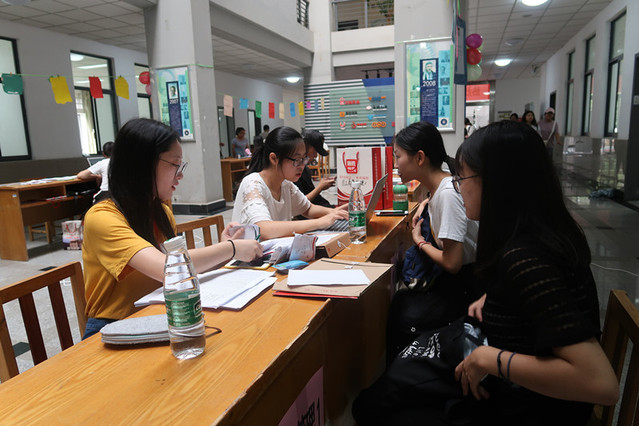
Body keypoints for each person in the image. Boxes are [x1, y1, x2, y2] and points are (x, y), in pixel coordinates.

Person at [450, 120, 618, 423]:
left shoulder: (525, 258)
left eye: (462, 178)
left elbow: (601, 384)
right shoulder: (543, 233)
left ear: (497, 182)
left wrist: (490, 359)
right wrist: (497, 298)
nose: (459, 188)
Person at [81, 118, 263, 339]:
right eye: (175, 165)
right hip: (112, 328)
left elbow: (182, 271)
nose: (181, 174)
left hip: (159, 314)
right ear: (142, 164)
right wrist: (231, 248)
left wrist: (226, 248)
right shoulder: (101, 218)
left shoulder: (161, 212)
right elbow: (167, 268)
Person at [387, 121, 482, 356]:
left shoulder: (447, 194)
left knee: (402, 312)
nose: (395, 164)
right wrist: (425, 205)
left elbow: (452, 263)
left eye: (398, 156)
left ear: (420, 158)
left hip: (465, 288)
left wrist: (419, 241)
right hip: (459, 281)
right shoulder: (441, 187)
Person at [231, 126, 348, 240]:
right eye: (297, 160)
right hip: (247, 252)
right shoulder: (253, 184)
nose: (302, 166)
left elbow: (307, 209)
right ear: (274, 159)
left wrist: (335, 212)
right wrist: (319, 222)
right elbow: (263, 228)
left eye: (304, 159)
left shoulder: (286, 185)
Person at [294, 129, 334, 208]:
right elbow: (299, 205)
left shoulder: (304, 169)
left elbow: (314, 198)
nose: (315, 155)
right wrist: (320, 187)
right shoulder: (292, 171)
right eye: (315, 151)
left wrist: (333, 209)